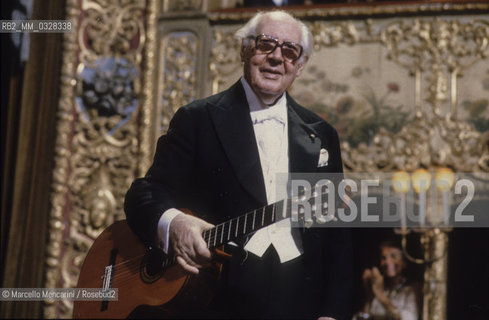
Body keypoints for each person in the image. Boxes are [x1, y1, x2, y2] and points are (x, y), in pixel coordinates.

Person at [124, 10, 353, 319]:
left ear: (300, 66)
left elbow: (338, 240)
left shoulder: (322, 133)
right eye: (265, 44)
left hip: (299, 303)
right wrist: (175, 224)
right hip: (215, 301)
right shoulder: (197, 119)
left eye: (289, 51)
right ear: (245, 49)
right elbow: (144, 194)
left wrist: (333, 313)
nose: (276, 57)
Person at [355, 240, 420, 320]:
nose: (387, 262)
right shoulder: (378, 285)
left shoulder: (412, 289)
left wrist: (382, 297)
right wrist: (369, 295)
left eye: (393, 256)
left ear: (404, 262)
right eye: (384, 258)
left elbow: (410, 318)